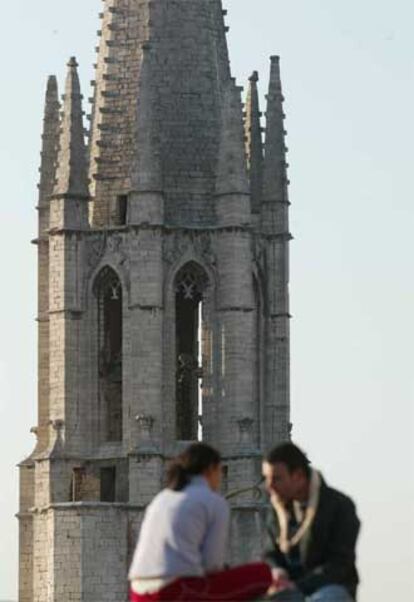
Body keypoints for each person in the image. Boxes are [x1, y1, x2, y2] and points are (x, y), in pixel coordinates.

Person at [129, 442, 273, 602]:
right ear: (210, 469)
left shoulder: (161, 499)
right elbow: (212, 566)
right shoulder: (214, 502)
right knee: (266, 573)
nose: (220, 477)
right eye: (220, 470)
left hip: (138, 594)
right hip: (174, 591)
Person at [262, 443, 360, 602]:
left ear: (299, 476)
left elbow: (339, 566)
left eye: (276, 479)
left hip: (330, 589)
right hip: (289, 590)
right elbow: (270, 553)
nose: (269, 486)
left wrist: (298, 587)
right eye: (266, 478)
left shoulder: (340, 506)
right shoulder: (278, 509)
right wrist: (277, 570)